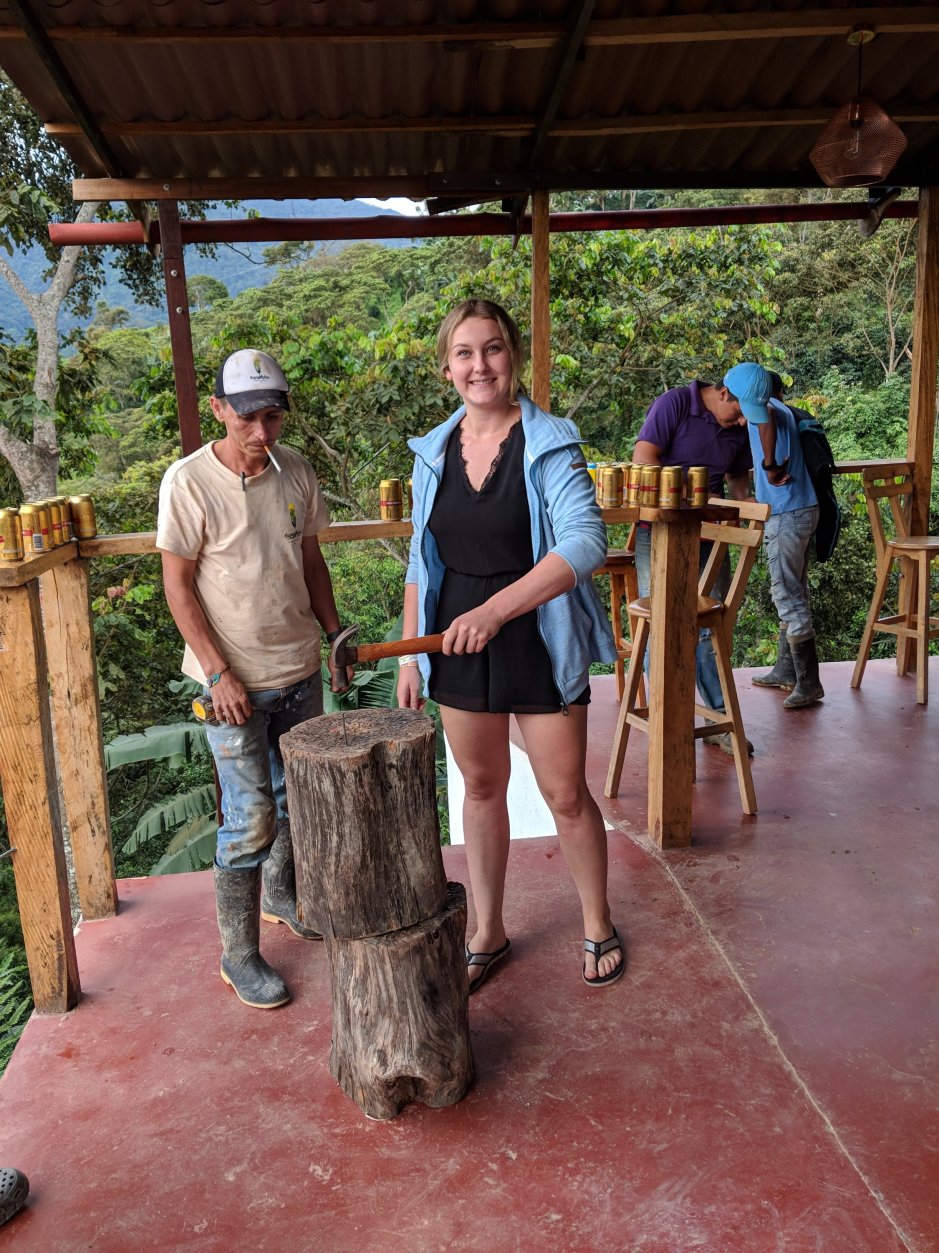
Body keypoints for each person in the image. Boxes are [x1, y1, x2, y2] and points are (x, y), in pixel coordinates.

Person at [397, 299, 624, 990]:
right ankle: (488, 929)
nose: (480, 365)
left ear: (513, 356)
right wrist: (411, 653)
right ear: (446, 368)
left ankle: (597, 921)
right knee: (480, 786)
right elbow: (420, 559)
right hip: (455, 637)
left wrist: (497, 610)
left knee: (564, 791)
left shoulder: (550, 442)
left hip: (537, 632)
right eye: (464, 353)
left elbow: (585, 542)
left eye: (492, 348)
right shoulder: (432, 452)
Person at [157, 349, 349, 1010]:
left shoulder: (296, 471)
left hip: (298, 670)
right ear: (219, 409)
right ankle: (237, 954)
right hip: (231, 684)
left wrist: (335, 636)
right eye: (247, 418)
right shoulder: (189, 482)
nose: (261, 432)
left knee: (295, 798)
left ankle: (281, 897)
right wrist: (217, 674)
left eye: (272, 417)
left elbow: (312, 564)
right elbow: (178, 587)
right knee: (249, 818)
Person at [631, 373, 771, 754]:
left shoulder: (737, 428)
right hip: (658, 530)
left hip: (710, 535)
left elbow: (736, 479)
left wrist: (746, 506)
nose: (741, 422)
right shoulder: (675, 404)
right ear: (723, 393)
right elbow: (644, 458)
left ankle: (717, 720)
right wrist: (686, 501)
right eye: (738, 413)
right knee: (658, 621)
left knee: (712, 622)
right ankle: (664, 718)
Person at [724, 363, 825, 709]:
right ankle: (786, 670)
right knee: (795, 588)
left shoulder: (765, 410)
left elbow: (761, 416)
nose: (741, 418)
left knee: (786, 592)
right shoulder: (783, 408)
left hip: (787, 513)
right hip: (804, 508)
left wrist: (768, 465)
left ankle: (809, 683)